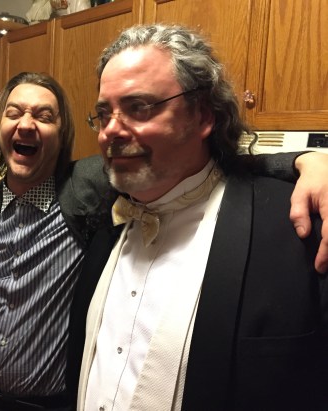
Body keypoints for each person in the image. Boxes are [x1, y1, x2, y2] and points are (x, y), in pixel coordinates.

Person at [0, 71, 328, 410]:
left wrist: (306, 160)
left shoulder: (89, 183)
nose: (26, 124)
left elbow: (199, 162)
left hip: (50, 404)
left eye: (44, 116)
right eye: (14, 112)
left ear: (61, 134)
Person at [78, 24, 328, 411]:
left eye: (139, 107)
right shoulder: (101, 214)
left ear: (202, 116)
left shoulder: (296, 226)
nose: (111, 130)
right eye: (103, 113)